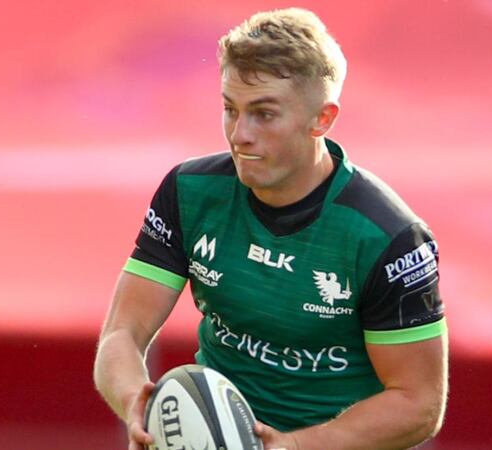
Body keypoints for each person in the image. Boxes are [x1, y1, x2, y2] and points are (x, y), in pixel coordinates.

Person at [94, 8, 448, 450]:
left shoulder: (387, 237)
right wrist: (134, 401)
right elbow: (122, 332)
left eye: (263, 114)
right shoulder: (190, 192)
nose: (239, 134)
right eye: (230, 109)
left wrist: (294, 446)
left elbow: (419, 405)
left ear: (322, 119)